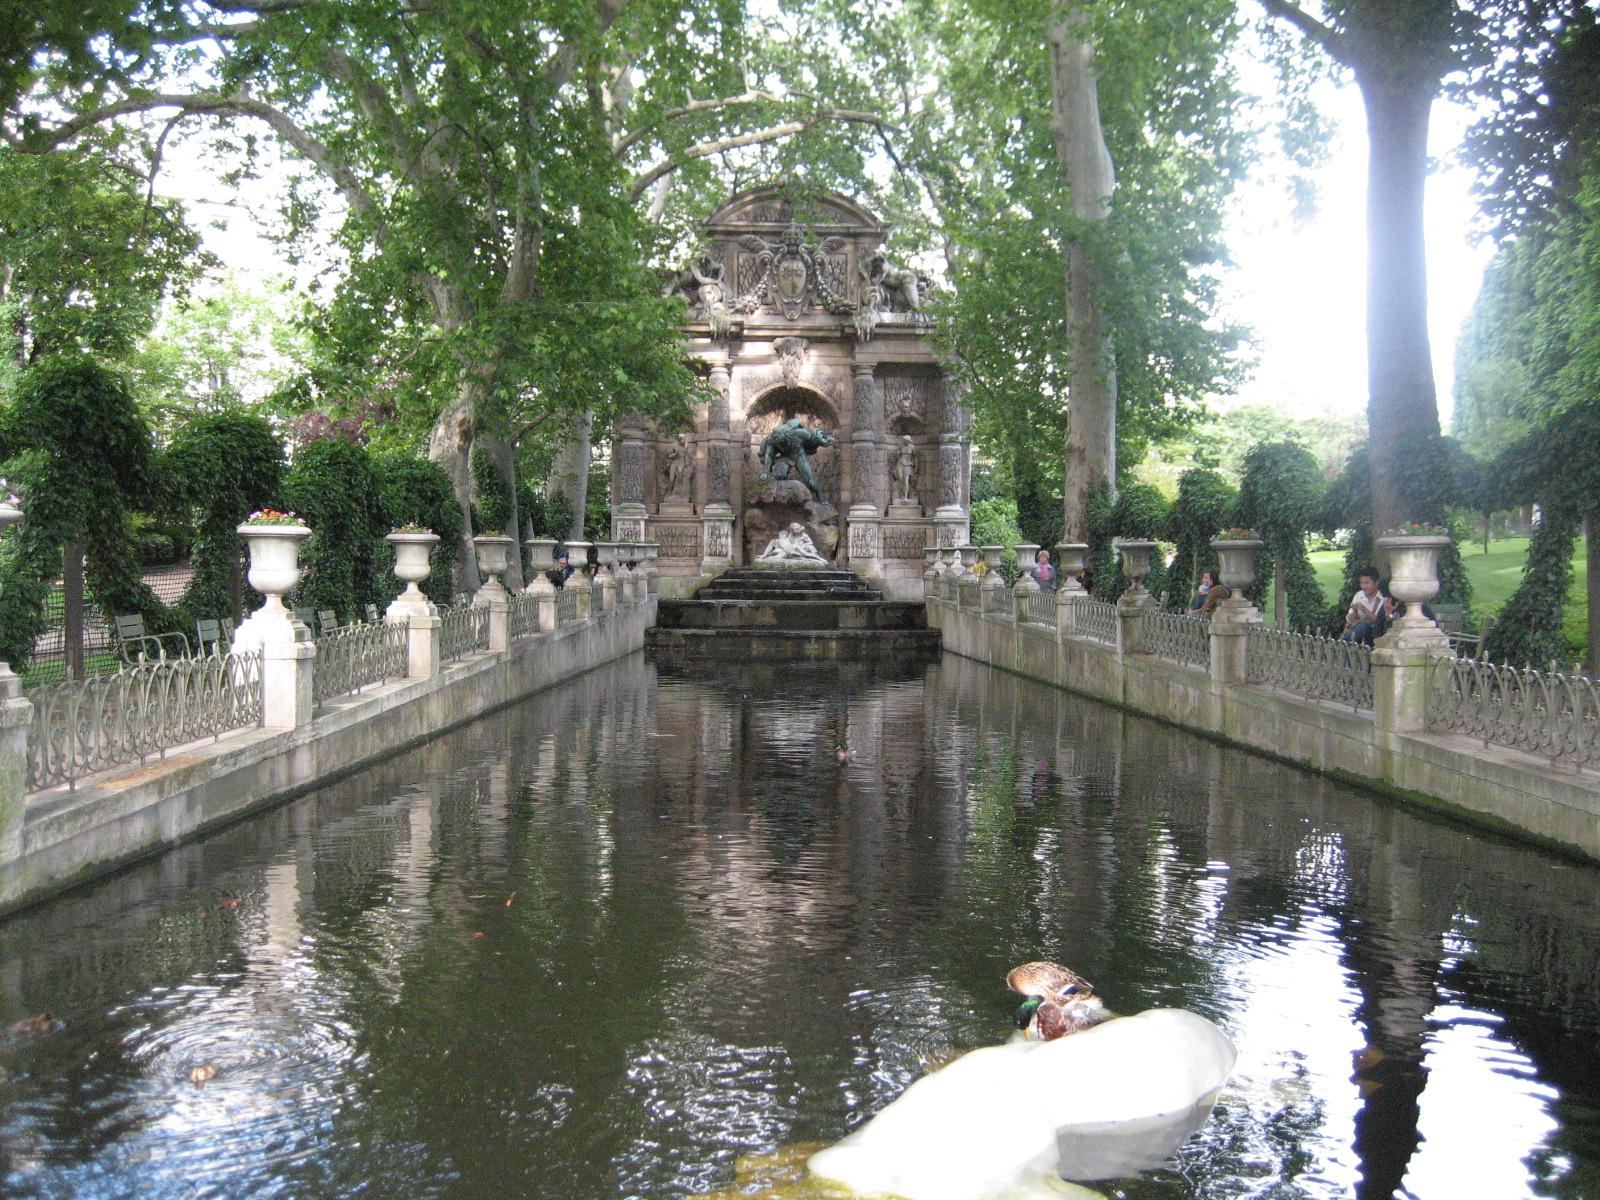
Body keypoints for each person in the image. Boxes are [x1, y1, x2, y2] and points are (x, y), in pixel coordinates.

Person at [1341, 568, 1386, 645]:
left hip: (1374, 635)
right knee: (1360, 627)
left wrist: (1365, 610)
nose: (1364, 586)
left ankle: (1342, 645)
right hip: (1357, 634)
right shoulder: (1359, 595)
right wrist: (1355, 612)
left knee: (1364, 627)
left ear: (1376, 582)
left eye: (1367, 583)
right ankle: (1344, 644)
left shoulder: (1382, 598)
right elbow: (1349, 619)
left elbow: (1378, 621)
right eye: (1361, 583)